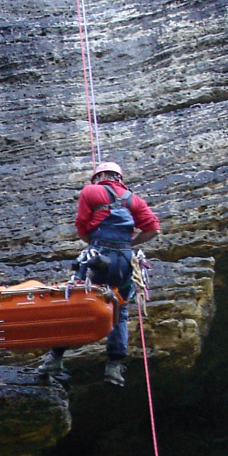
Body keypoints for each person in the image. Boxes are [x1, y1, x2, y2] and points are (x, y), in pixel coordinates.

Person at [39, 160, 159, 386]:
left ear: (99, 176)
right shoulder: (134, 200)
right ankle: (114, 367)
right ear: (119, 178)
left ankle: (56, 358)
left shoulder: (90, 191)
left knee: (74, 304)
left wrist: (93, 243)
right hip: (124, 262)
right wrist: (130, 243)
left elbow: (82, 226)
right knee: (120, 311)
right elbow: (153, 229)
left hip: (97, 257)